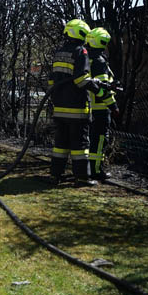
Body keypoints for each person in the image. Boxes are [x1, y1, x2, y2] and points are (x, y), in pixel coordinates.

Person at [49, 19, 111, 186]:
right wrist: (98, 88)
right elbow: (81, 80)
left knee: (60, 145)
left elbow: (51, 81)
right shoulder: (80, 51)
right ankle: (82, 178)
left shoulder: (59, 52)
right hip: (76, 108)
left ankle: (55, 176)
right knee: (80, 146)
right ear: (82, 34)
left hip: (59, 108)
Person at [85, 27, 120, 180]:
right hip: (100, 109)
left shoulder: (85, 58)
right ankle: (96, 170)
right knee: (99, 140)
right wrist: (113, 106)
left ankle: (87, 168)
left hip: (87, 107)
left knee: (88, 140)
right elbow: (102, 89)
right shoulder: (99, 61)